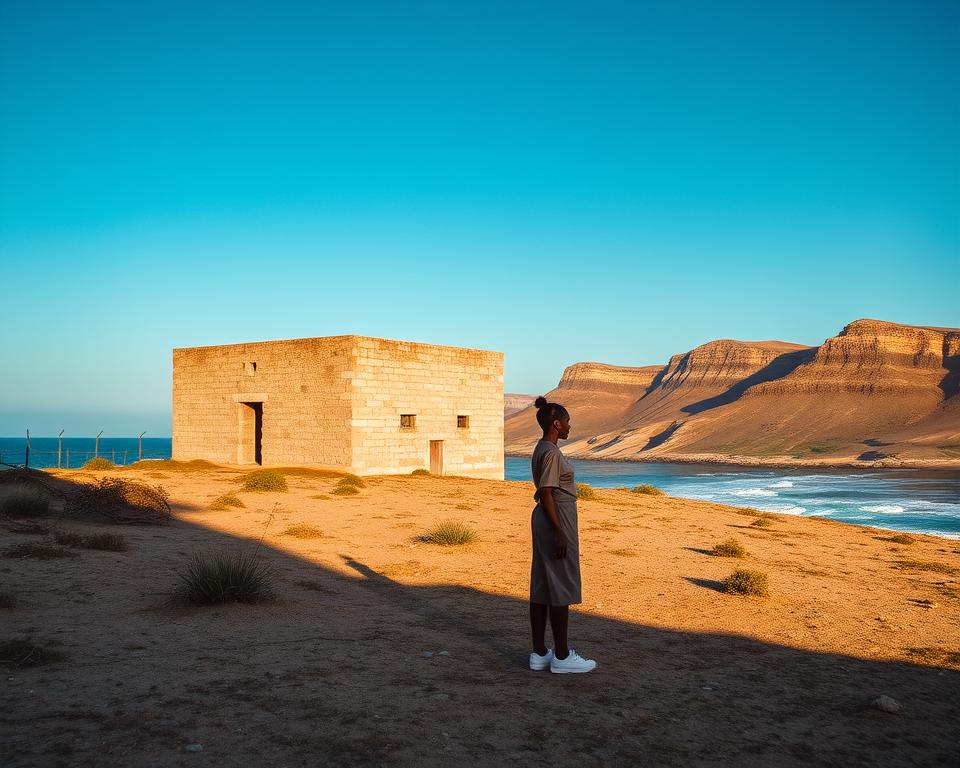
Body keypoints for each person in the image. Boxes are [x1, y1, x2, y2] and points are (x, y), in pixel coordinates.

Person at [528, 396, 597, 673]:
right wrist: (559, 531)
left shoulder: (542, 447)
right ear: (556, 423)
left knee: (543, 583)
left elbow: (544, 489)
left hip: (548, 516)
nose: (570, 426)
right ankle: (562, 656)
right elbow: (546, 492)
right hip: (556, 518)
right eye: (567, 421)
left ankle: (539, 653)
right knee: (561, 584)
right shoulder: (553, 452)